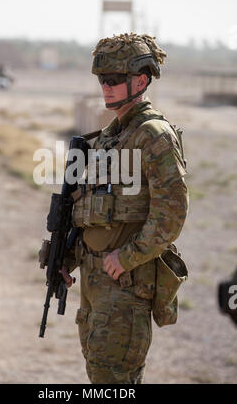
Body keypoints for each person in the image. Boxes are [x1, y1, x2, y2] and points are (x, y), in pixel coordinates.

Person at [60, 32, 189, 384]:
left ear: (141, 80)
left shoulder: (153, 135)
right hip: (96, 285)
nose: (106, 87)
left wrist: (128, 257)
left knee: (114, 379)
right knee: (99, 372)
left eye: (115, 80)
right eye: (103, 79)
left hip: (126, 287)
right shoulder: (109, 136)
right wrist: (67, 257)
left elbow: (172, 214)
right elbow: (92, 207)